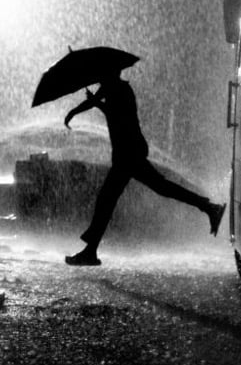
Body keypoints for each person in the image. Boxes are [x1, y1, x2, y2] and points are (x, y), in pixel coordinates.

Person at [62, 71, 226, 266]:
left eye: (101, 73)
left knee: (108, 199)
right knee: (155, 188)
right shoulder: (111, 87)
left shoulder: (122, 89)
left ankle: (90, 252)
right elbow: (96, 103)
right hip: (127, 152)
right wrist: (77, 111)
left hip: (129, 152)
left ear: (111, 73)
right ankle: (209, 207)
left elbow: (118, 116)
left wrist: (91, 106)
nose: (98, 77)